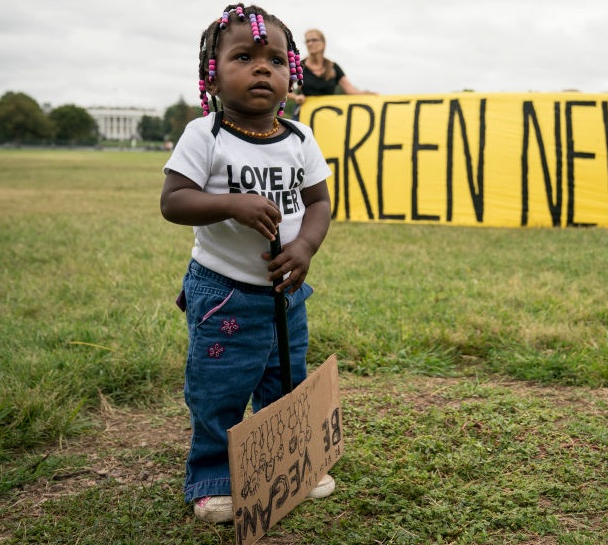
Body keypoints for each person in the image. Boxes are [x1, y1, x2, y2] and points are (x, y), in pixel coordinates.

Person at [160, 3, 334, 524]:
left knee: (286, 379)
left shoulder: (300, 139)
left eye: (277, 61)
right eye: (244, 57)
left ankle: (293, 462)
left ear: (291, 75)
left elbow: (320, 204)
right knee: (219, 387)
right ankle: (214, 477)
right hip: (223, 291)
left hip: (285, 292)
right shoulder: (205, 134)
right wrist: (232, 203)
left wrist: (304, 247)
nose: (263, 69)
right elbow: (174, 201)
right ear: (211, 76)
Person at [286, 28, 374, 119]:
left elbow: (350, 90)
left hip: (328, 115)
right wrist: (295, 97)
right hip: (303, 114)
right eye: (307, 41)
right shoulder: (299, 66)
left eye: (314, 40)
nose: (310, 44)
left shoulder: (333, 67)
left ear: (323, 44)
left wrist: (369, 94)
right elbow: (284, 88)